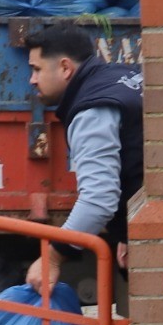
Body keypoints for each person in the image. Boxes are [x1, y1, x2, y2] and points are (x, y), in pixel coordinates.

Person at [23, 20, 143, 305]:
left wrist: (51, 257)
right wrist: (127, 231)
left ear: (65, 68)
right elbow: (140, 159)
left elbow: (99, 200)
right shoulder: (124, 75)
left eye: (37, 69)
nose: (32, 79)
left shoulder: (92, 109)